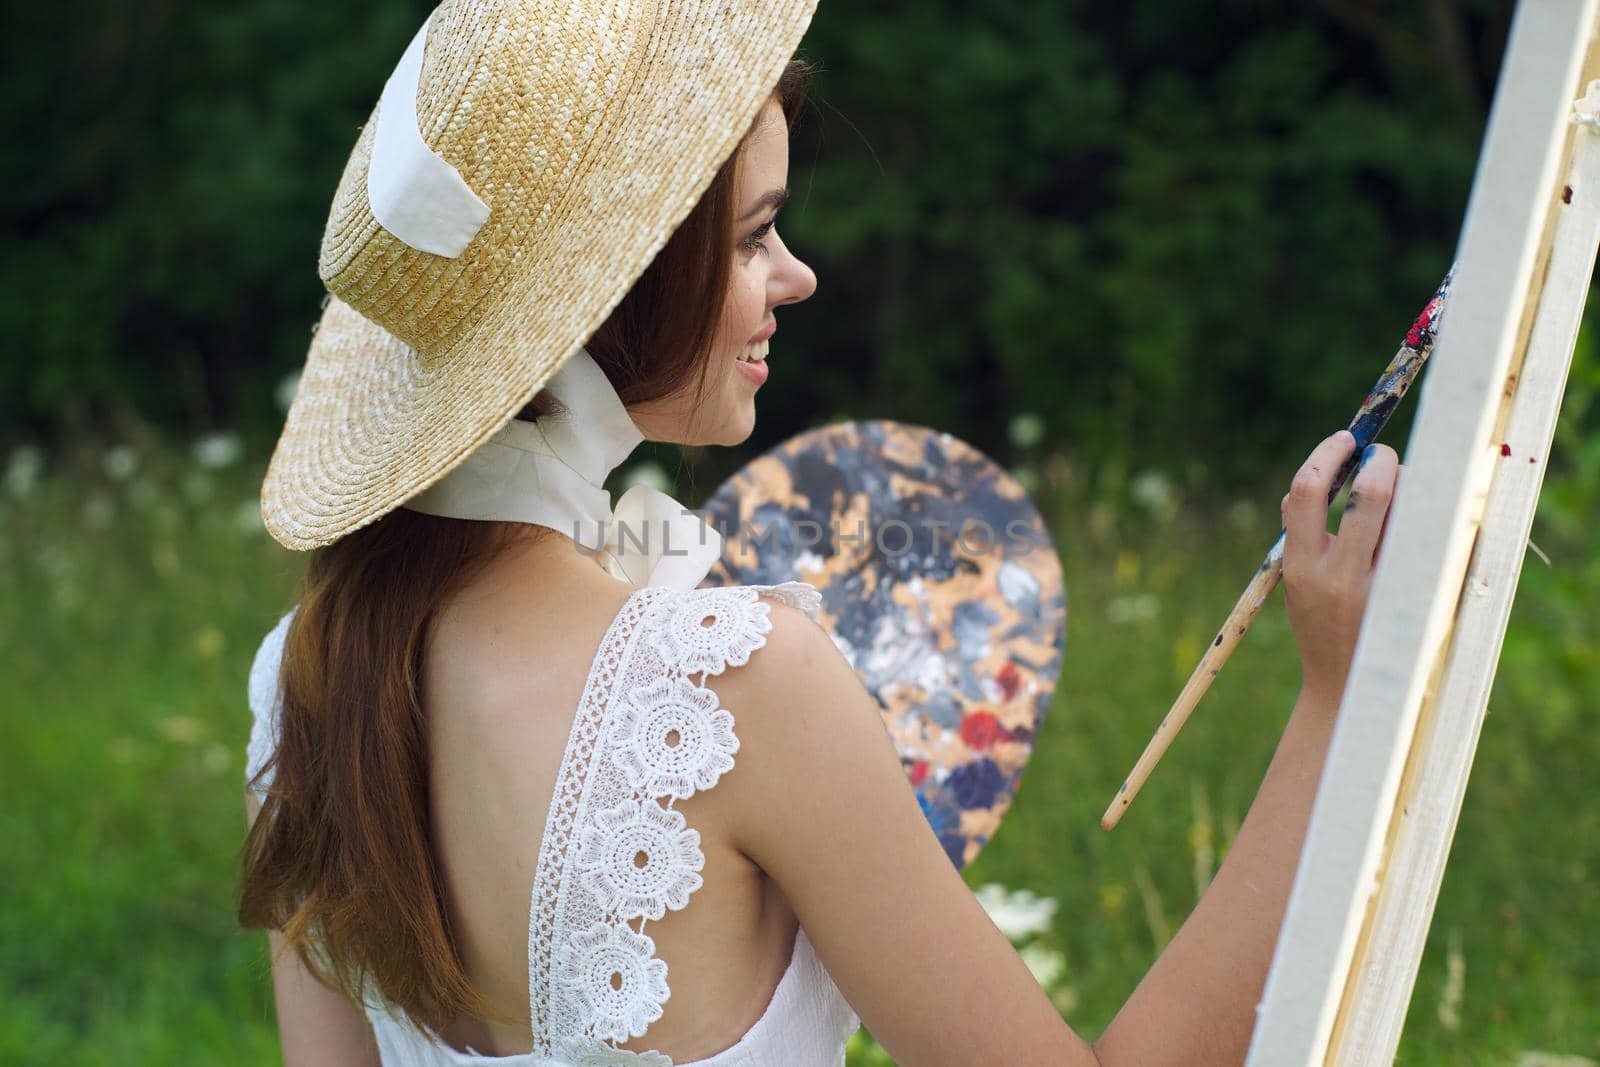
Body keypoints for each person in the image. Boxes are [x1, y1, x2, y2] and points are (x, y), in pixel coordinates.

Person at [238, 2, 1404, 1065]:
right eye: (751, 237)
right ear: (624, 286)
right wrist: (1335, 699)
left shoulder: (304, 672)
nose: (794, 277)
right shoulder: (726, 686)